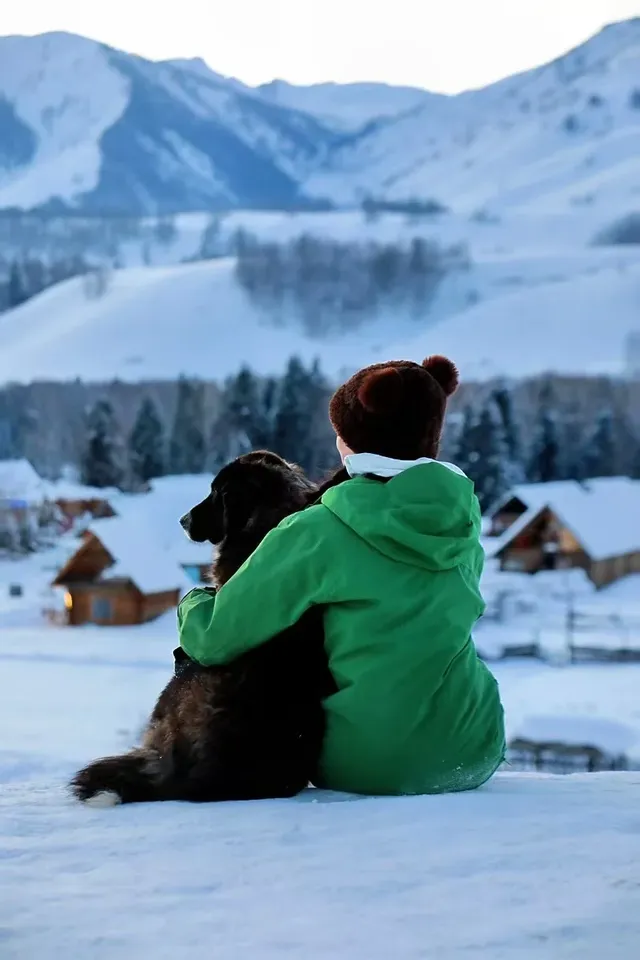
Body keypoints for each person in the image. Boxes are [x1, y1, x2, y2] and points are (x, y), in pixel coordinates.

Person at [177, 355, 506, 796]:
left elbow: (216, 638)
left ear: (352, 441)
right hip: (475, 746)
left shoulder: (321, 529)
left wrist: (193, 602)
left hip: (371, 764)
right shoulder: (461, 516)